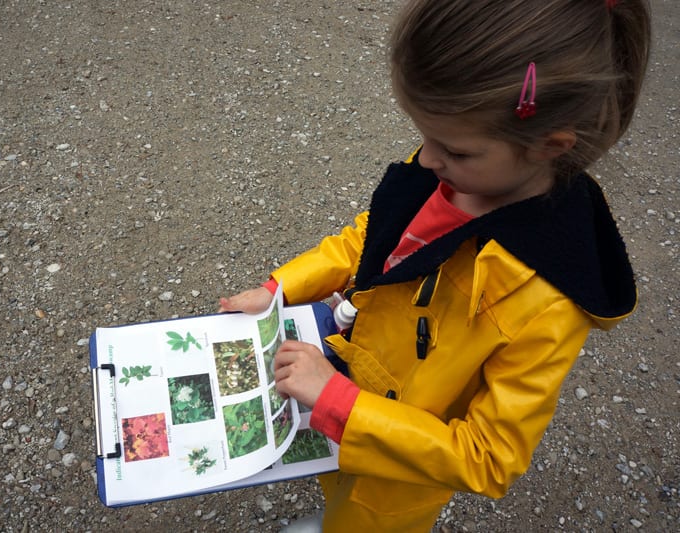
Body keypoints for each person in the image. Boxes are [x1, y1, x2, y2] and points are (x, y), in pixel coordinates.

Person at [219, 0, 651, 530]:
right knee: (337, 493)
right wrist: (282, 287)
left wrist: (341, 403)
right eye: (421, 134)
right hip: (339, 388)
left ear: (549, 146)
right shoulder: (456, 167)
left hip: (398, 478)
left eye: (451, 148)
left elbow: (490, 459)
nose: (424, 159)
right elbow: (370, 237)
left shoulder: (546, 298)